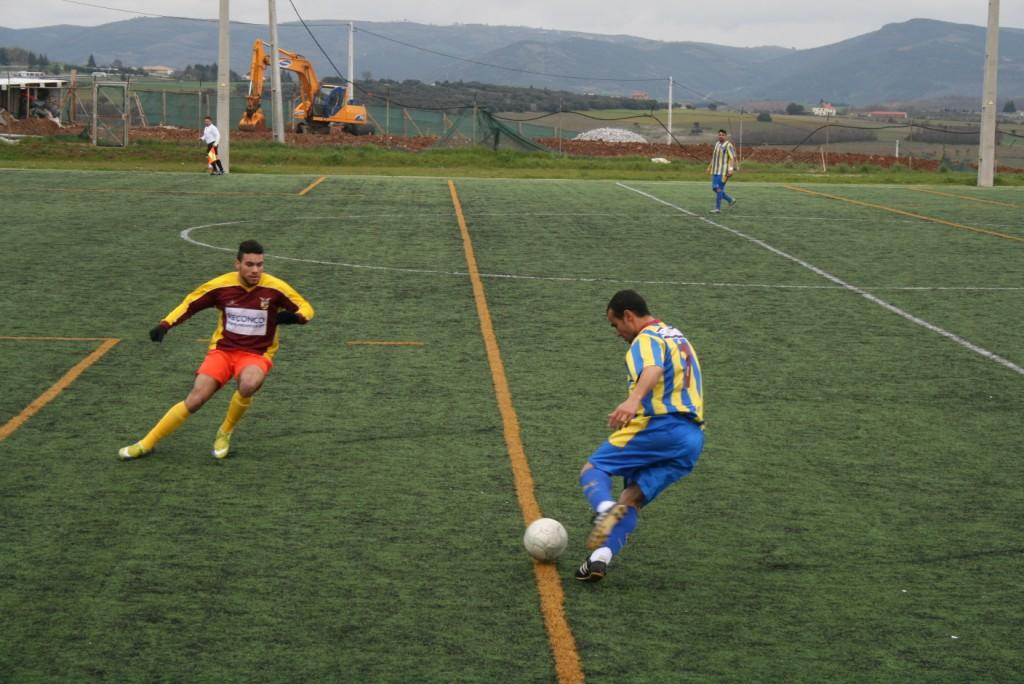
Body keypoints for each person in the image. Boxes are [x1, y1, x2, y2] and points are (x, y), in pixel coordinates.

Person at [118, 240, 314, 461]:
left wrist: (297, 317)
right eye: (250, 264)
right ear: (237, 264)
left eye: (260, 265)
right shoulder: (220, 286)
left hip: (256, 354)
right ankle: (146, 443)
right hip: (223, 351)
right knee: (195, 399)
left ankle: (225, 432)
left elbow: (306, 307)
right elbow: (190, 304)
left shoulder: (275, 288)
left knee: (249, 384)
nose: (256, 270)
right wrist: (165, 324)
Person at [576, 290, 705, 582]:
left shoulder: (645, 339)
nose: (617, 332)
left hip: (661, 426)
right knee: (631, 501)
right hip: (691, 440)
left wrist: (634, 400)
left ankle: (604, 509)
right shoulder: (675, 335)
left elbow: (653, 368)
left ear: (629, 316)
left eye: (615, 325)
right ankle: (599, 558)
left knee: (593, 469)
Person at [707, 128, 737, 213]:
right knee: (714, 188)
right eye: (719, 135)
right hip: (715, 170)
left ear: (726, 136)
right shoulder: (717, 144)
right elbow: (714, 157)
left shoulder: (728, 145)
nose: (721, 136)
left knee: (718, 188)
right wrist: (709, 167)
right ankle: (730, 200)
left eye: (723, 135)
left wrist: (730, 170)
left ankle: (717, 208)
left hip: (724, 172)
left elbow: (732, 158)